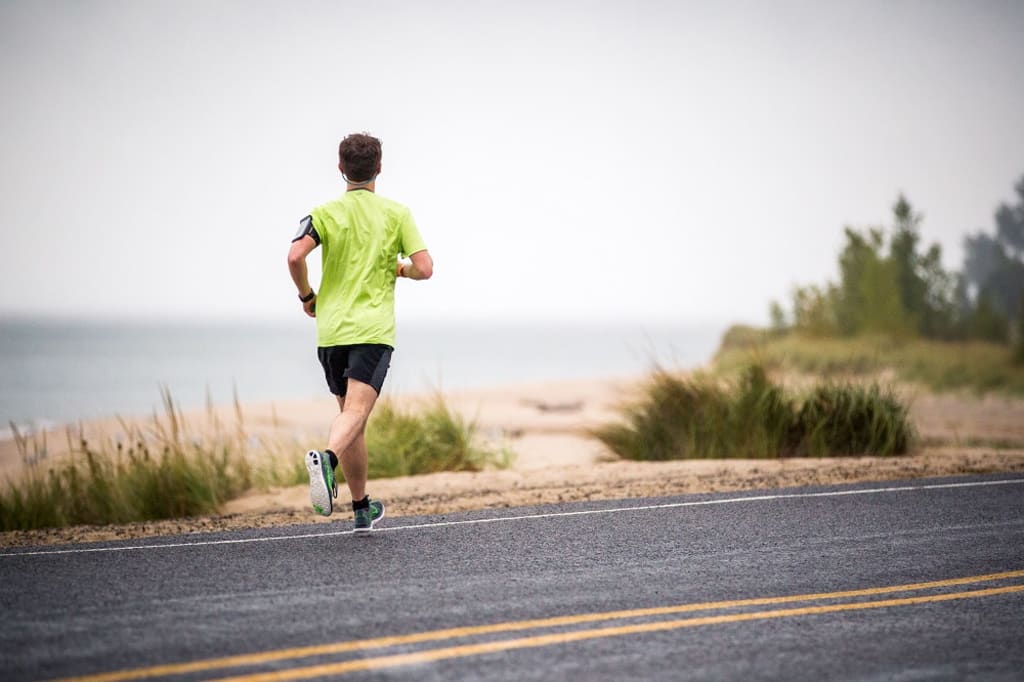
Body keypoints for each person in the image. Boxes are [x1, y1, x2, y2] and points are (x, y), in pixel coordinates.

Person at [287, 132, 433, 533]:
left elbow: (295, 255)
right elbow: (425, 267)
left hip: (331, 331)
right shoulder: (396, 214)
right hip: (371, 331)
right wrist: (400, 268)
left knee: (352, 420)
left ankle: (361, 508)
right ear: (380, 168)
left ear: (340, 168)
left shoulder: (324, 212)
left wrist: (306, 295)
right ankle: (327, 461)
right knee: (354, 415)